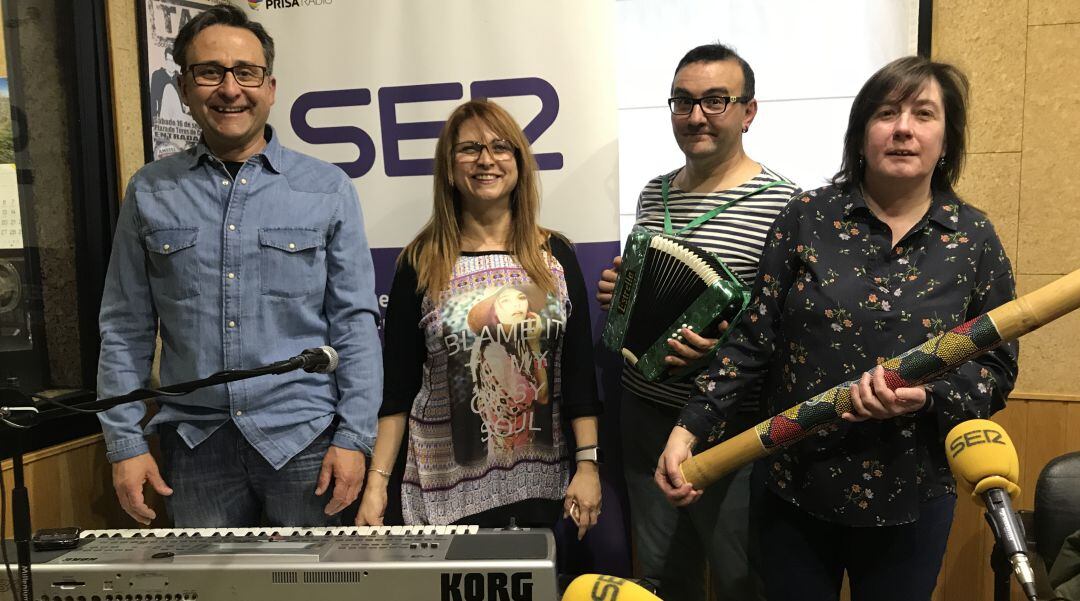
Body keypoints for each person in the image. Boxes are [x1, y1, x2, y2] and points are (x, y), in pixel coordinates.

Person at [657, 56, 1019, 601]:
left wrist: (926, 395)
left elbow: (996, 368)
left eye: (923, 114)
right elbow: (752, 340)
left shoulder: (973, 239)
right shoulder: (806, 216)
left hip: (911, 496)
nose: (902, 128)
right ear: (860, 132)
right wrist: (689, 429)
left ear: (947, 139)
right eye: (886, 112)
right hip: (794, 488)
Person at [96, 5, 382, 528]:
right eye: (210, 72)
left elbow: (355, 326)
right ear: (183, 88)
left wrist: (355, 438)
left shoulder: (327, 189)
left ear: (270, 87)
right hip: (193, 449)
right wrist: (124, 442)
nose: (230, 89)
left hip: (306, 445)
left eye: (245, 72)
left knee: (318, 587)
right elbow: (125, 326)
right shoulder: (151, 191)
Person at [596, 43, 797, 600]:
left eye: (715, 101)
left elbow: (787, 328)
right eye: (683, 102)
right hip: (641, 411)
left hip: (726, 425)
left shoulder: (785, 204)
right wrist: (621, 295)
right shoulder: (653, 192)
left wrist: (718, 350)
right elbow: (645, 292)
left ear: (748, 111)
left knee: (738, 576)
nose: (696, 116)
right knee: (661, 573)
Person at [358, 100, 602, 541]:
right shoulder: (421, 262)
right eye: (469, 149)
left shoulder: (555, 257)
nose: (486, 160)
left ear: (519, 164)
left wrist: (588, 465)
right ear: (449, 169)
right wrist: (377, 483)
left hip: (538, 486)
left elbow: (579, 377)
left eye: (500, 147)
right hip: (445, 492)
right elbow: (397, 391)